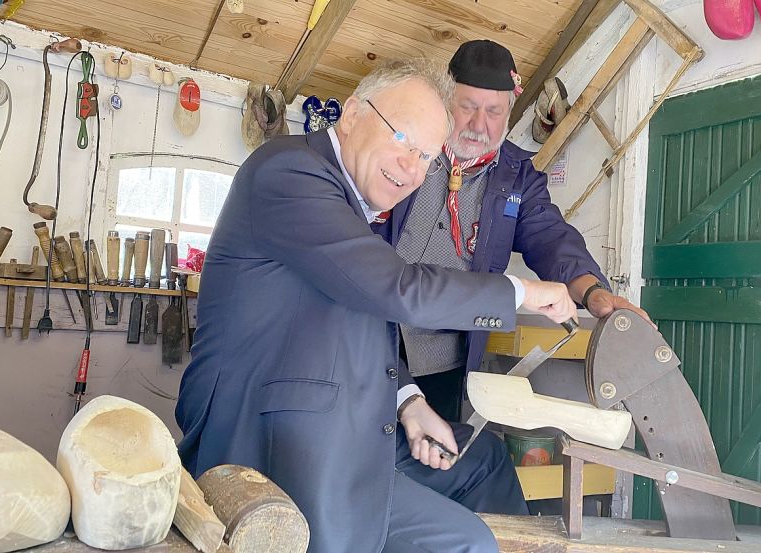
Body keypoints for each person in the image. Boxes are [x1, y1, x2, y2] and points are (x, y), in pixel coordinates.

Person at [174, 58, 577, 553]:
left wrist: (408, 403)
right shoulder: (289, 172)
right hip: (278, 443)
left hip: (351, 427)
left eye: (428, 157)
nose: (411, 170)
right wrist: (521, 292)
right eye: (403, 140)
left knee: (485, 460)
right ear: (352, 115)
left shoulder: (351, 204)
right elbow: (397, 287)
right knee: (468, 544)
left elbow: (356, 320)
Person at [372, 40, 652, 422]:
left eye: (494, 112)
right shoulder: (406, 149)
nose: (478, 125)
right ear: (444, 100)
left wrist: (593, 291)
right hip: (368, 332)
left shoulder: (518, 176)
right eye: (467, 107)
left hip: (442, 357)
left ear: (508, 113)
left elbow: (549, 237)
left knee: (428, 463)